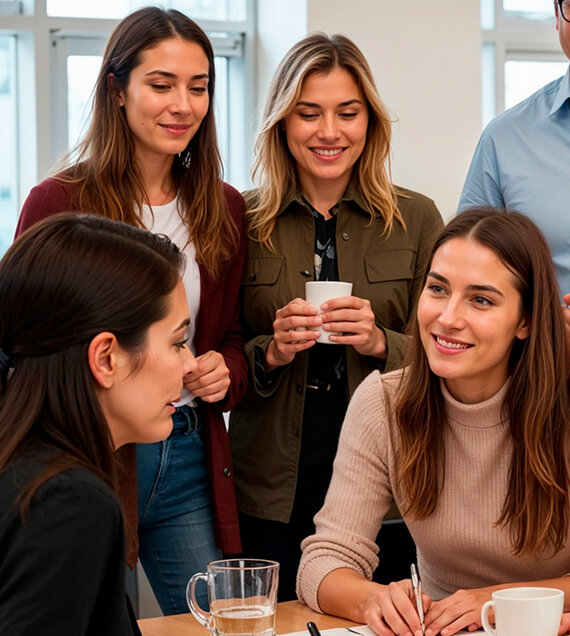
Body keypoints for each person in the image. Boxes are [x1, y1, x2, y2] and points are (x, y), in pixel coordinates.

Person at [16, 7, 247, 615]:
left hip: (189, 444)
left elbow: (231, 336)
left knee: (213, 622)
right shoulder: (59, 202)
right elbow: (24, 338)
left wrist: (224, 368)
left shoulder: (223, 207)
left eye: (199, 87)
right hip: (92, 450)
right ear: (117, 90)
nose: (184, 105)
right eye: (162, 84)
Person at [229, 33, 443, 601]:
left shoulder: (417, 218)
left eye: (347, 113)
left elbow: (453, 351)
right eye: (308, 113)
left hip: (393, 478)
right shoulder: (238, 219)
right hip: (272, 480)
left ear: (369, 121)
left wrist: (380, 342)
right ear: (282, 122)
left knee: (388, 616)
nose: (329, 132)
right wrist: (269, 352)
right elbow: (217, 348)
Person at [297, 209, 570, 636]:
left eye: (481, 299)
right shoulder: (383, 401)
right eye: (438, 289)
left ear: (526, 320)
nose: (447, 318)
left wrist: (498, 601)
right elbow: (323, 562)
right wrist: (373, 598)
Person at [0, 213, 196, 635]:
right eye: (178, 343)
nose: (190, 363)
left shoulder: (25, 467)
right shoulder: (69, 504)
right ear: (106, 357)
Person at [459, 0, 570, 326]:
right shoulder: (505, 139)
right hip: (542, 367)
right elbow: (468, 270)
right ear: (557, 15)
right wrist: (541, 319)